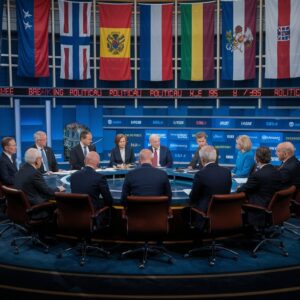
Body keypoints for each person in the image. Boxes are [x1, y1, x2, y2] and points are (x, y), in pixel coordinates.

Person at [237, 147, 282, 226]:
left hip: (260, 204)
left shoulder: (257, 175)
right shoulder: (276, 171)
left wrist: (238, 188)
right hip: (273, 203)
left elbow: (243, 189)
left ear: (257, 158)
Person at [189, 145, 232, 216]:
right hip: (225, 213)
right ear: (215, 158)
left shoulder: (200, 174)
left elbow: (193, 197)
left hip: (205, 214)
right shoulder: (227, 172)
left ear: (202, 160)